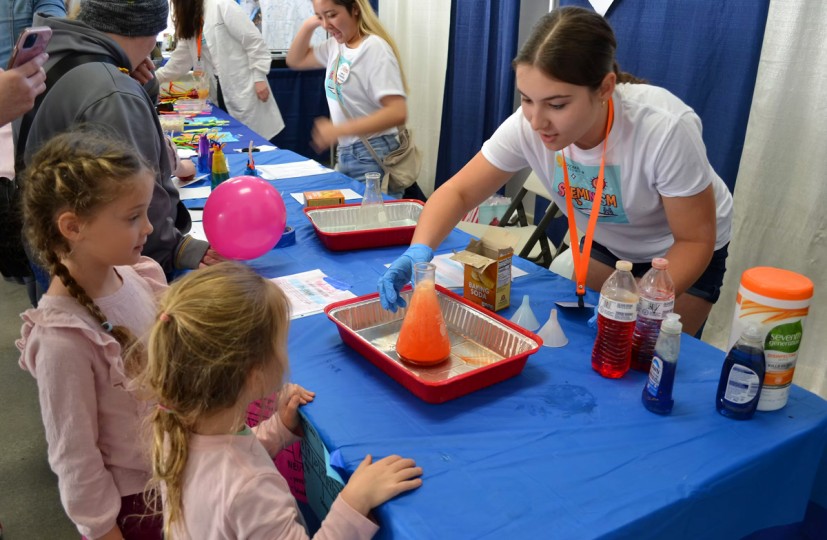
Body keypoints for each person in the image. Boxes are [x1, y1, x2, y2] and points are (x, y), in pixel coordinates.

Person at [378, 6, 733, 337]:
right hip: (608, 239)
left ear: (605, 88)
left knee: (647, 353)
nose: (537, 122)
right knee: (587, 341)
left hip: (678, 248)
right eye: (526, 99)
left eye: (557, 104)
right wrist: (418, 250)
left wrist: (641, 299)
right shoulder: (527, 126)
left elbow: (694, 240)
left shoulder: (664, 129)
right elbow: (459, 192)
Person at [141, 262, 424, 539]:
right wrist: (354, 502)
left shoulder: (173, 422)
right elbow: (235, 480)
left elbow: (226, 460)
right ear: (254, 376)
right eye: (281, 342)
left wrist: (277, 429)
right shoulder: (250, 488)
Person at [16, 129, 166, 540]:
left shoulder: (139, 276)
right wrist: (103, 531)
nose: (149, 227)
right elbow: (74, 458)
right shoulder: (62, 341)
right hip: (137, 510)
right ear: (73, 227)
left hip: (173, 475)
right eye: (133, 217)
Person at [15, 0, 216, 278]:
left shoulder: (54, 53)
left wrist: (140, 86)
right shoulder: (113, 93)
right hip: (105, 272)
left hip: (49, 248)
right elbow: (138, 198)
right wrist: (176, 248)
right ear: (149, 30)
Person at [286, 0, 424, 199]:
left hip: (372, 154)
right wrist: (310, 23)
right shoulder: (337, 45)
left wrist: (338, 130)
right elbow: (295, 60)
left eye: (332, 15)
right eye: (320, 17)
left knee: (371, 217)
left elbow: (397, 112)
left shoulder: (374, 48)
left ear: (355, 9)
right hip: (348, 153)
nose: (325, 25)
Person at [156, 0, 285, 141]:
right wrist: (152, 79)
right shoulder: (189, 17)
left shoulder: (222, 5)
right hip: (218, 89)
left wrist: (259, 77)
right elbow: (177, 63)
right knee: (232, 139)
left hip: (245, 86)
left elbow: (254, 42)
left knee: (255, 140)